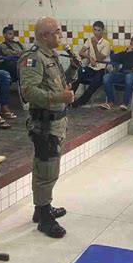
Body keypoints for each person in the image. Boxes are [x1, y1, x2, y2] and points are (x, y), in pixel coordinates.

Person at [19, 16, 78, 238]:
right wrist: (60, 96)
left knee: (47, 167)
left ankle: (41, 207)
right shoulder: (32, 59)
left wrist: (72, 69)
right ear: (44, 35)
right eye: (57, 32)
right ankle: (44, 219)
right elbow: (29, 92)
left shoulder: (51, 56)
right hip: (44, 124)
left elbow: (61, 84)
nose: (60, 36)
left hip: (56, 121)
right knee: (46, 170)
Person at [99, 35, 133, 111]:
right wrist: (126, 52)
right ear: (131, 43)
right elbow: (114, 59)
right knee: (106, 77)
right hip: (123, 74)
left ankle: (125, 104)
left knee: (129, 77)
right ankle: (110, 102)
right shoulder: (126, 53)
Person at [71, 21, 111, 107]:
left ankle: (82, 101)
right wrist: (90, 58)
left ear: (102, 31)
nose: (96, 32)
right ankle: (70, 97)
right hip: (92, 67)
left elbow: (100, 58)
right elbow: (81, 52)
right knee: (79, 73)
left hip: (102, 69)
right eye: (95, 30)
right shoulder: (89, 40)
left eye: (99, 30)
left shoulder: (106, 44)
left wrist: (95, 45)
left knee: (96, 80)